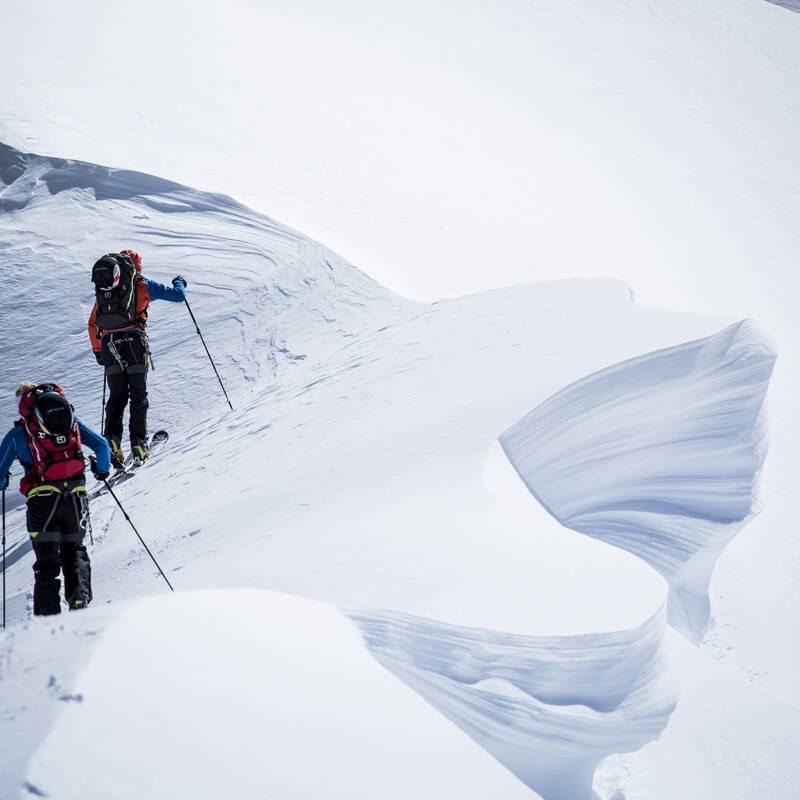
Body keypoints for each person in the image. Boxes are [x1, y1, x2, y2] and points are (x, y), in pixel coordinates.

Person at [0, 382, 112, 616]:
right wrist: (101, 470)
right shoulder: (71, 424)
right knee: (75, 550)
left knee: (46, 566)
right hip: (74, 498)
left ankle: (48, 621)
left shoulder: (20, 433)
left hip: (42, 504)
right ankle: (79, 601)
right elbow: (102, 447)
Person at [88, 249, 187, 466]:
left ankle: (111, 443)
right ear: (136, 265)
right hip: (134, 344)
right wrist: (180, 282)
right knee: (138, 395)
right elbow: (177, 296)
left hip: (109, 345)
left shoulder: (105, 291)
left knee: (117, 396)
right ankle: (139, 444)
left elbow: (93, 322)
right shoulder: (141, 284)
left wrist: (98, 351)